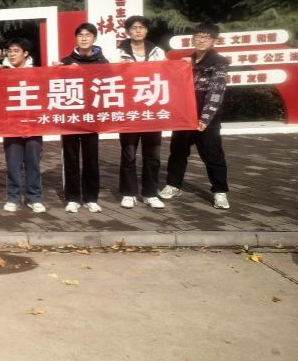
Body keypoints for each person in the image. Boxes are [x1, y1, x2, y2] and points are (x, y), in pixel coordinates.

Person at [159, 22, 231, 209]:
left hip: (207, 119)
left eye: (207, 37)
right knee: (178, 152)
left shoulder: (219, 63)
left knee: (213, 155)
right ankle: (173, 185)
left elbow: (216, 93)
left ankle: (220, 192)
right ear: (193, 39)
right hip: (184, 117)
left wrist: (204, 119)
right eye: (198, 36)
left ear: (214, 41)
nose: (202, 40)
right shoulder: (185, 62)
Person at [58, 23, 108, 213]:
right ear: (76, 39)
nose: (84, 38)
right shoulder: (65, 61)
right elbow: (54, 86)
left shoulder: (103, 62)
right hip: (70, 117)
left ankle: (91, 198)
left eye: (88, 35)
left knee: (91, 159)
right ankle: (72, 198)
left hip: (91, 117)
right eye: (80, 35)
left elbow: (110, 85)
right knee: (71, 158)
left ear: (94, 38)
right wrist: (58, 70)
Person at [117, 16, 167, 209]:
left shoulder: (158, 52)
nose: (138, 30)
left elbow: (169, 74)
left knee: (152, 155)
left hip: (152, 110)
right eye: (134, 27)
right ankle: (128, 193)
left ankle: (150, 193)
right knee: (129, 154)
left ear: (146, 30)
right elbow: (107, 74)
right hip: (129, 110)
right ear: (127, 31)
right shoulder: (118, 53)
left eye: (141, 27)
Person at [0, 38, 45, 213]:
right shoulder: (1, 72)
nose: (12, 54)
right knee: (13, 164)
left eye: (16, 51)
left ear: (25, 53)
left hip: (33, 125)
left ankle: (34, 198)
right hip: (11, 126)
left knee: (33, 163)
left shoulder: (37, 72)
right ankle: (13, 198)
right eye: (10, 51)